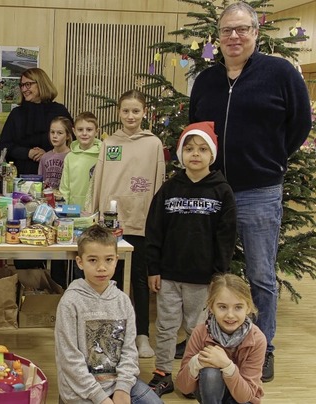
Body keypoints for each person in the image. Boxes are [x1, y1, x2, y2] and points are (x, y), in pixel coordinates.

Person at [189, 2, 312, 382]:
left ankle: (264, 345)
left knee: (260, 275)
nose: (234, 37)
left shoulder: (279, 73)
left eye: (242, 29)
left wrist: (272, 158)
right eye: (227, 30)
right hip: (212, 189)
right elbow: (197, 127)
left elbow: (301, 123)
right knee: (211, 271)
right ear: (218, 36)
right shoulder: (207, 79)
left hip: (260, 190)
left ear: (256, 33)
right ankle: (209, 340)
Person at [145, 122, 238, 397]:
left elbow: (226, 237)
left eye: (201, 149)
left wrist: (219, 277)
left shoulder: (222, 191)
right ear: (180, 154)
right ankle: (163, 373)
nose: (195, 154)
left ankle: (191, 375)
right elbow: (154, 230)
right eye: (189, 149)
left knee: (197, 329)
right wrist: (154, 268)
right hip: (169, 274)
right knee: (165, 326)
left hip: (204, 278)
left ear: (212, 155)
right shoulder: (169, 188)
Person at [88, 90, 165, 359]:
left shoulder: (153, 144)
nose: (130, 116)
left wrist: (156, 220)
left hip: (140, 221)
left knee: (140, 282)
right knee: (112, 279)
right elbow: (98, 180)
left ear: (144, 113)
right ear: (118, 113)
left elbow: (158, 183)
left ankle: (142, 334)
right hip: (111, 222)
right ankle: (112, 333)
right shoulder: (109, 143)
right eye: (125, 111)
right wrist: (92, 212)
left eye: (136, 111)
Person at [55, 225, 163, 404]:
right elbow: (70, 360)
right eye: (92, 260)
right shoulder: (70, 302)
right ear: (79, 262)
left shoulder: (123, 301)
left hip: (117, 383)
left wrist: (122, 388)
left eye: (108, 259)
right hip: (81, 390)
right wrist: (101, 398)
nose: (101, 267)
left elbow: (129, 351)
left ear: (116, 260)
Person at [177, 273, 266, 403]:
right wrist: (197, 362)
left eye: (238, 307)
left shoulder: (257, 339)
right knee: (210, 373)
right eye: (222, 307)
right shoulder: (200, 332)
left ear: (248, 308)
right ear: (211, 307)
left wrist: (227, 365)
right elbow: (184, 387)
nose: (230, 315)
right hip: (211, 395)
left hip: (244, 399)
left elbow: (245, 397)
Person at [0, 67, 72, 175]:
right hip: (20, 174)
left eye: (28, 84)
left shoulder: (59, 110)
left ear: (41, 83)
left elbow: (71, 141)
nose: (24, 89)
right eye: (22, 85)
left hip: (54, 172)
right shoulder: (16, 113)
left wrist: (48, 154)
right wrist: (28, 153)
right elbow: (5, 146)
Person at [59, 112, 102, 207]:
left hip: (95, 208)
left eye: (89, 129)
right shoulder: (69, 157)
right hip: (73, 209)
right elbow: (64, 187)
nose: (84, 133)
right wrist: (63, 207)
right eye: (80, 129)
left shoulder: (102, 155)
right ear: (74, 131)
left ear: (97, 131)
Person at [38, 116, 72, 190]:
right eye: (52, 132)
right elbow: (41, 182)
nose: (54, 136)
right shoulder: (45, 157)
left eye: (59, 133)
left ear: (68, 136)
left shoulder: (71, 156)